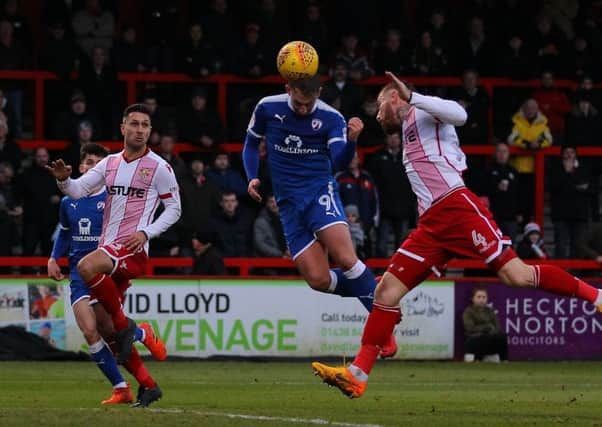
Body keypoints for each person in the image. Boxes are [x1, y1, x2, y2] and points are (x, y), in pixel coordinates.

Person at [312, 72, 602, 398]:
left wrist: (413, 96)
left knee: (515, 275)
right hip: (431, 226)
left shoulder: (426, 111)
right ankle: (357, 375)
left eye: (381, 107)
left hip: (457, 207)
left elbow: (461, 115)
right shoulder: (402, 130)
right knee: (385, 293)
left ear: (396, 98)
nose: (378, 115)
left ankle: (597, 297)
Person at [243, 75, 397, 358]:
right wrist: (252, 178)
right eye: (299, 103)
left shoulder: (330, 117)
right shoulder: (267, 107)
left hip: (319, 194)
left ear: (320, 93)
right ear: (288, 89)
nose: (303, 109)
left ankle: (383, 327)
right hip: (289, 205)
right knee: (318, 279)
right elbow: (251, 144)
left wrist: (351, 142)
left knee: (347, 259)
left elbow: (338, 161)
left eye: (309, 102)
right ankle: (374, 289)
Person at [45, 104, 181, 406]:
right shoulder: (109, 164)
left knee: (84, 266)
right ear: (123, 128)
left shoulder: (159, 167)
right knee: (106, 330)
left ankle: (129, 326)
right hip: (109, 250)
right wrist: (63, 180)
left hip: (130, 249)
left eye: (145, 125)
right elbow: (78, 190)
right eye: (134, 123)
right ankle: (147, 384)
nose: (139, 129)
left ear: (149, 130)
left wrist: (146, 233)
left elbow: (175, 208)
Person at [462, 287, 508, 362]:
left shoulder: (490, 311)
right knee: (478, 339)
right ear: (473, 299)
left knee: (502, 337)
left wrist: (491, 331)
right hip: (475, 339)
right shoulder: (468, 311)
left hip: (489, 337)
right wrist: (486, 328)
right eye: (479, 297)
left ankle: (504, 360)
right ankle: (476, 358)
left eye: (484, 297)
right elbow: (470, 328)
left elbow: (497, 327)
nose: (481, 299)